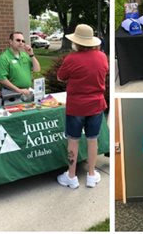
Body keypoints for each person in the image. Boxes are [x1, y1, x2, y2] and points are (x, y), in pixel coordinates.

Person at [56, 24, 108, 189]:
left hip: (76, 106)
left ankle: (71, 177)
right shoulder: (102, 57)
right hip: (96, 105)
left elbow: (61, 77)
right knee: (93, 140)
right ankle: (91, 175)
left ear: (77, 42)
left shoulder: (71, 58)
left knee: (73, 141)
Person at [0, 31, 41, 100]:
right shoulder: (3, 58)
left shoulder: (25, 55)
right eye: (18, 40)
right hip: (11, 93)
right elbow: (2, 79)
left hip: (26, 92)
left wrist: (31, 54)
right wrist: (19, 90)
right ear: (10, 42)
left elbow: (37, 69)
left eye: (23, 41)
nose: (21, 42)